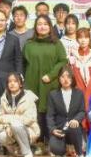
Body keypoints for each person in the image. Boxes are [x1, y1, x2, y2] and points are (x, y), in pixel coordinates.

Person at [22, 15, 68, 150]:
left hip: (50, 83)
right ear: (35, 27)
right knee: (34, 113)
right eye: (39, 24)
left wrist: (51, 75)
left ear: (50, 27)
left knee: (49, 112)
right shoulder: (29, 44)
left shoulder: (56, 43)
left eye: (45, 24)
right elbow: (22, 63)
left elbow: (63, 61)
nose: (42, 27)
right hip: (32, 83)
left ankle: (52, 142)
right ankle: (37, 143)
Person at [0, 72, 39, 157]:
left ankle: (27, 152)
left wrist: (10, 120)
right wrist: (7, 126)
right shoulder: (4, 98)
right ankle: (16, 151)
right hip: (10, 131)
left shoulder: (28, 97)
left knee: (16, 125)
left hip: (28, 129)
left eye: (15, 81)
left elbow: (30, 118)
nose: (12, 83)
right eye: (10, 81)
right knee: (1, 137)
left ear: (20, 84)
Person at [46, 67, 86, 157]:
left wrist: (76, 119)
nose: (65, 79)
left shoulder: (79, 93)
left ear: (72, 78)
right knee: (55, 148)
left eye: (68, 76)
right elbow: (50, 115)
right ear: (59, 79)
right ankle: (64, 150)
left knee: (74, 126)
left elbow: (82, 111)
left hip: (74, 129)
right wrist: (53, 129)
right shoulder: (53, 94)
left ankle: (80, 154)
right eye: (62, 77)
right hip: (60, 129)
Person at [69, 28, 91, 111]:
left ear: (89, 39)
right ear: (77, 39)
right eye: (80, 37)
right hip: (77, 91)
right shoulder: (72, 54)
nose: (83, 40)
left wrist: (89, 92)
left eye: (86, 37)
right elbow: (73, 74)